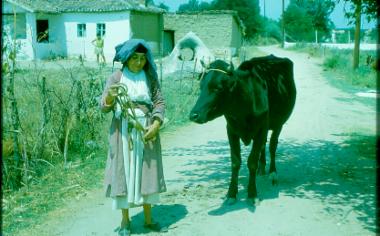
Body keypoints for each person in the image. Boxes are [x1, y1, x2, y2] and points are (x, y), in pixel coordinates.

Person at [100, 39, 167, 236]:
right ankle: (125, 221)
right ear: (126, 58)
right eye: (134, 58)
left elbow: (159, 102)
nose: (138, 63)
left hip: (145, 130)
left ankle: (148, 219)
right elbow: (103, 107)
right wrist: (111, 98)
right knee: (124, 173)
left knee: (146, 171)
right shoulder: (116, 78)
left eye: (143, 59)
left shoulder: (150, 77)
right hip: (123, 131)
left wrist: (155, 124)